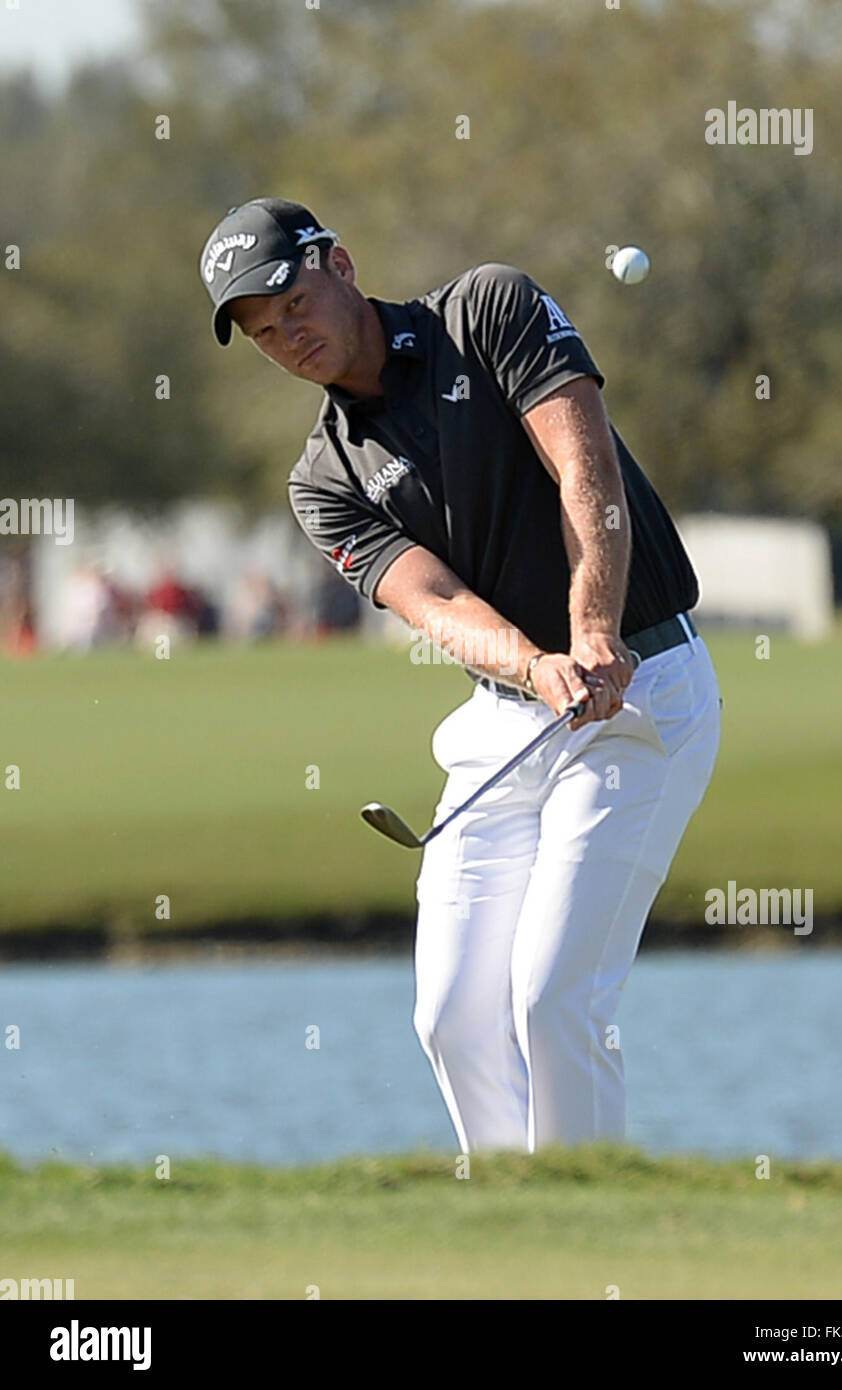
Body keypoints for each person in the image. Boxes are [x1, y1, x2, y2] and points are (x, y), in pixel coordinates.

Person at [199, 197, 722, 1154]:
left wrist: (592, 631)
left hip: (643, 684)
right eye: (264, 332)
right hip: (511, 712)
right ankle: (513, 1229)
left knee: (554, 995)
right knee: (449, 1016)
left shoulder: (488, 312)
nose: (289, 337)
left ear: (341, 264)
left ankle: (585, 1229)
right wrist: (538, 666)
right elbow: (434, 602)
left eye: (293, 303)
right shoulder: (324, 478)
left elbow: (585, 471)